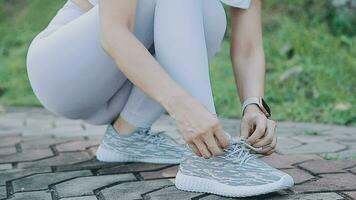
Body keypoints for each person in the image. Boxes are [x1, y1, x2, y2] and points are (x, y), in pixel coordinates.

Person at [26, 0, 294, 197]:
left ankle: (127, 134)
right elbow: (114, 33)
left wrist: (253, 106)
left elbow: (247, 48)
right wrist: (186, 109)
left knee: (212, 14)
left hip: (118, 87)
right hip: (63, 71)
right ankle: (207, 157)